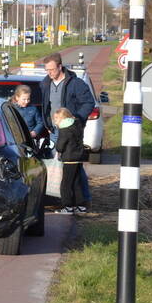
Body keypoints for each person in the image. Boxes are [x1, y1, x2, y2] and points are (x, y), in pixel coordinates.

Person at [40, 52, 95, 206]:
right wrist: (47, 123)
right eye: (46, 70)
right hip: (54, 131)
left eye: (51, 69)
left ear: (60, 66)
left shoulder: (75, 84)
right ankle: (62, 199)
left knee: (74, 167)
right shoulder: (45, 83)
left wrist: (75, 121)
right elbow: (45, 106)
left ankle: (84, 199)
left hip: (70, 132)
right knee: (58, 167)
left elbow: (88, 103)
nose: (49, 73)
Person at [53, 107, 86, 214]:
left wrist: (58, 148)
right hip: (78, 158)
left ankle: (67, 207)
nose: (55, 122)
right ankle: (80, 206)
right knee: (76, 183)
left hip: (69, 159)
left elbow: (60, 147)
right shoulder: (77, 125)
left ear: (62, 118)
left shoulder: (64, 129)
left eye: (56, 119)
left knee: (65, 184)